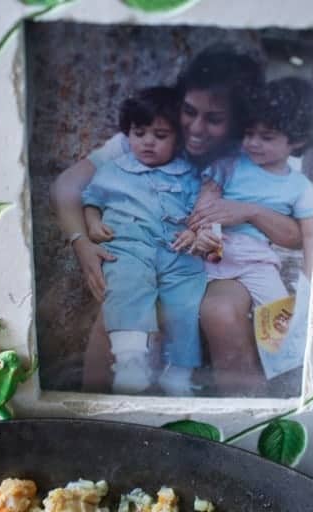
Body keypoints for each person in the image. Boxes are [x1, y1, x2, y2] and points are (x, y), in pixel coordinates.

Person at [50, 44, 303, 395]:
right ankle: (98, 419)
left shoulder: (251, 152)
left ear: (238, 123)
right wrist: (82, 244)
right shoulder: (151, 133)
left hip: (221, 261)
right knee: (115, 312)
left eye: (214, 119)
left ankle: (245, 419)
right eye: (189, 111)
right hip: (149, 252)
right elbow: (68, 186)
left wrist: (249, 211)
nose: (196, 128)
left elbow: (296, 227)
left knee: (221, 312)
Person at [81, 86, 205, 396]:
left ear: (177, 138)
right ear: (128, 134)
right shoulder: (114, 170)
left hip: (177, 252)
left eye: (160, 135)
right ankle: (130, 361)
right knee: (126, 285)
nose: (148, 141)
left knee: (185, 302)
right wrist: (93, 222)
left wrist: (194, 232)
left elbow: (202, 213)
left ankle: (177, 373)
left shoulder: (189, 175)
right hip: (128, 244)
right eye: (139, 133)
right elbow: (91, 199)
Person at [196, 77, 313, 310]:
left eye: (266, 137)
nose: (252, 143)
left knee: (278, 323)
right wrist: (202, 232)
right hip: (212, 256)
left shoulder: (300, 186)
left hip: (258, 265)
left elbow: (310, 236)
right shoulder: (228, 166)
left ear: (297, 140)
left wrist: (309, 284)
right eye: (249, 133)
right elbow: (204, 208)